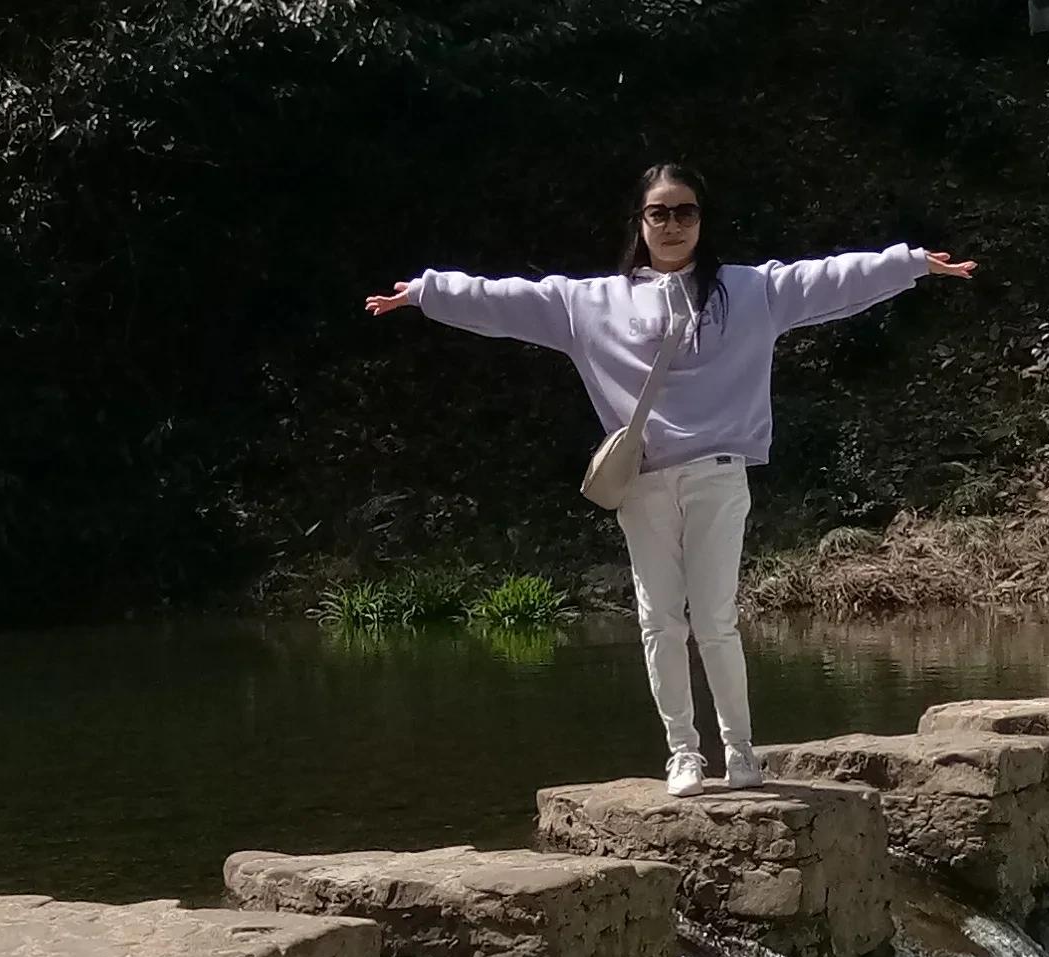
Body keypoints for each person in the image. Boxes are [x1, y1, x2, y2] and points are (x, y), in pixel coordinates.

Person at [369, 165, 976, 794]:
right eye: (659, 213)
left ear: (701, 220)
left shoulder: (748, 292)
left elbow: (825, 278)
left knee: (715, 618)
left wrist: (908, 263)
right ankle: (683, 753)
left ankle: (741, 752)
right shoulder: (592, 304)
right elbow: (508, 300)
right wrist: (425, 291)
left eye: (685, 212)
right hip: (645, 481)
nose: (673, 225)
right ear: (640, 222)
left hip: (717, 474)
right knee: (660, 620)